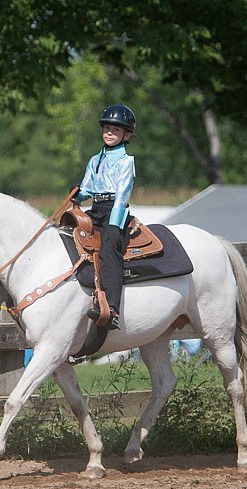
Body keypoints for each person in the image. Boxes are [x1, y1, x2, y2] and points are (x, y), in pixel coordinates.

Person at [74, 103, 137, 330]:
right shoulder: (95, 159)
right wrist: (77, 194)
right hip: (96, 208)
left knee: (110, 248)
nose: (110, 133)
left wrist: (114, 224)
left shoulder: (125, 162)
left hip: (115, 210)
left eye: (116, 129)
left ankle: (112, 309)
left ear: (126, 134)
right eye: (107, 128)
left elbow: (123, 194)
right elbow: (87, 188)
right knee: (70, 232)